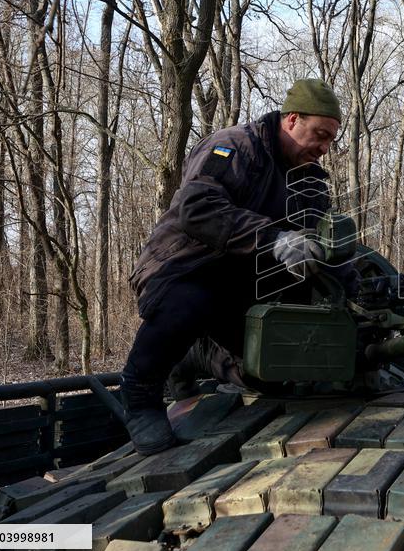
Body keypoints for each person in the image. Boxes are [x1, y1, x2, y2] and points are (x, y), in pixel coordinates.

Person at [122, 78, 346, 456]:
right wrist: (275, 239)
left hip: (245, 285)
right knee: (189, 303)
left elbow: (326, 248)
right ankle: (140, 395)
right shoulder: (235, 146)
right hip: (183, 269)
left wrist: (356, 286)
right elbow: (199, 210)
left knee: (273, 370)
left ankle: (198, 355)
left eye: (330, 141)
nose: (324, 149)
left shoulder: (309, 180)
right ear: (291, 120)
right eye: (320, 135)